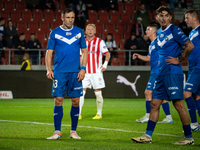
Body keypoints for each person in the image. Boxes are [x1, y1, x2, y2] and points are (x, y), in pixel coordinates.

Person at [132, 6, 194, 145]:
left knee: (179, 105)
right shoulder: (159, 32)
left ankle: (189, 138)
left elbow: (189, 46)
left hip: (173, 73)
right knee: (154, 104)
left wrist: (180, 59)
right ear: (157, 17)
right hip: (161, 74)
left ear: (170, 17)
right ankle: (147, 136)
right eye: (161, 15)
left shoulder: (175, 30)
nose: (164, 18)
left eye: (166, 15)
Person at [46, 8, 88, 140]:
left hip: (75, 72)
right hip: (60, 72)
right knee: (58, 100)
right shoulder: (55, 32)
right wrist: (48, 69)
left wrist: (83, 69)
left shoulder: (79, 32)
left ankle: (73, 131)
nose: (70, 20)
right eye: (68, 17)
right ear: (62, 18)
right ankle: (57, 132)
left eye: (72, 17)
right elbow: (49, 52)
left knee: (75, 101)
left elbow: (85, 52)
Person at [132, 24, 173, 123]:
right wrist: (138, 56)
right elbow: (148, 58)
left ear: (154, 31)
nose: (146, 31)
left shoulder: (159, 42)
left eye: (148, 29)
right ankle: (169, 117)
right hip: (155, 71)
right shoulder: (151, 44)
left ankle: (148, 115)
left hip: (158, 71)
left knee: (148, 92)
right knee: (160, 95)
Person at [79, 23, 110, 120]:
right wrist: (80, 69)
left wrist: (105, 65)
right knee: (81, 93)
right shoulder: (82, 42)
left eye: (92, 29)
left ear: (95, 31)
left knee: (98, 93)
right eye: (88, 29)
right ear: (85, 31)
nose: (90, 31)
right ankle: (78, 114)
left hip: (96, 72)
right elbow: (80, 56)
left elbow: (107, 54)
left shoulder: (100, 42)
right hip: (85, 72)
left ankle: (99, 113)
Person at [184, 9, 200, 131]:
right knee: (196, 97)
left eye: (187, 17)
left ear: (194, 18)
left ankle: (194, 124)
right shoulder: (192, 32)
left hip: (198, 67)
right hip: (192, 67)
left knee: (186, 93)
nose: (185, 20)